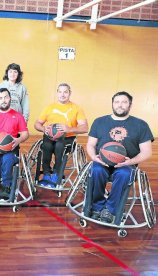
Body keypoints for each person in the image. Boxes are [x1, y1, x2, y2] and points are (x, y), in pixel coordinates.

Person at [86, 91, 153, 223]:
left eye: (124, 102)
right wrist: (94, 157)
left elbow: (147, 152)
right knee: (96, 170)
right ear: (112, 104)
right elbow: (90, 144)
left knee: (123, 174)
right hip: (101, 161)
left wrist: (130, 162)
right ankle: (97, 207)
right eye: (117, 102)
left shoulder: (140, 125)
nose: (120, 105)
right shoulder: (99, 121)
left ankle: (110, 210)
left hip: (126, 164)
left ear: (130, 105)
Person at [34, 83, 88, 188]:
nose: (62, 94)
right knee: (47, 145)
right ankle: (46, 173)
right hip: (49, 137)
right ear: (57, 93)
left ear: (70, 93)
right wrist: (43, 128)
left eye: (65, 92)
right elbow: (37, 124)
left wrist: (69, 129)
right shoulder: (50, 107)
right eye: (60, 92)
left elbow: (85, 127)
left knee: (59, 145)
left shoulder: (76, 108)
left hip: (67, 138)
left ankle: (56, 173)